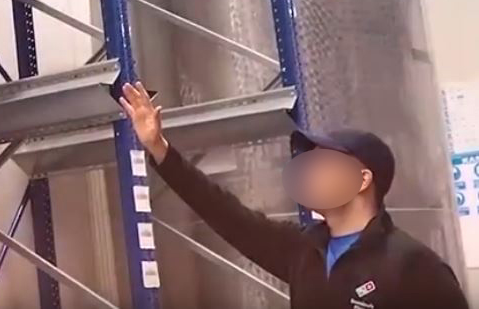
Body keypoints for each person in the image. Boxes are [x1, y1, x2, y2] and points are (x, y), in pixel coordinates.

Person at [119, 82, 467, 308]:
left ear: (363, 180)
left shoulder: (413, 266)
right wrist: (159, 148)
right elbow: (223, 213)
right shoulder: (302, 250)